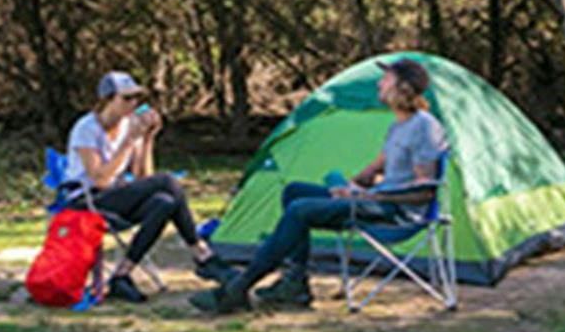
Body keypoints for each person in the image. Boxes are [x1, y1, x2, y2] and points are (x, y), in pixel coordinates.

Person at [191, 57, 448, 313]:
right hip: (375, 201)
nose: (380, 84)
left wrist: (372, 196)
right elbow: (377, 166)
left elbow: (423, 191)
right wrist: (352, 186)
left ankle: (239, 287)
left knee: (300, 210)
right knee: (293, 192)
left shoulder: (424, 127)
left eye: (386, 79)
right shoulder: (399, 125)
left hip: (396, 212)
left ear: (402, 88)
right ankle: (295, 283)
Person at [63, 70, 235, 302]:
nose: (133, 104)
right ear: (107, 100)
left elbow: (143, 176)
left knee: (164, 202)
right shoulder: (86, 128)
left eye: (136, 98)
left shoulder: (127, 126)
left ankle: (121, 276)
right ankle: (202, 254)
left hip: (116, 196)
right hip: (86, 200)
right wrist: (127, 142)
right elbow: (100, 180)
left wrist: (147, 139)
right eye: (126, 98)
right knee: (168, 182)